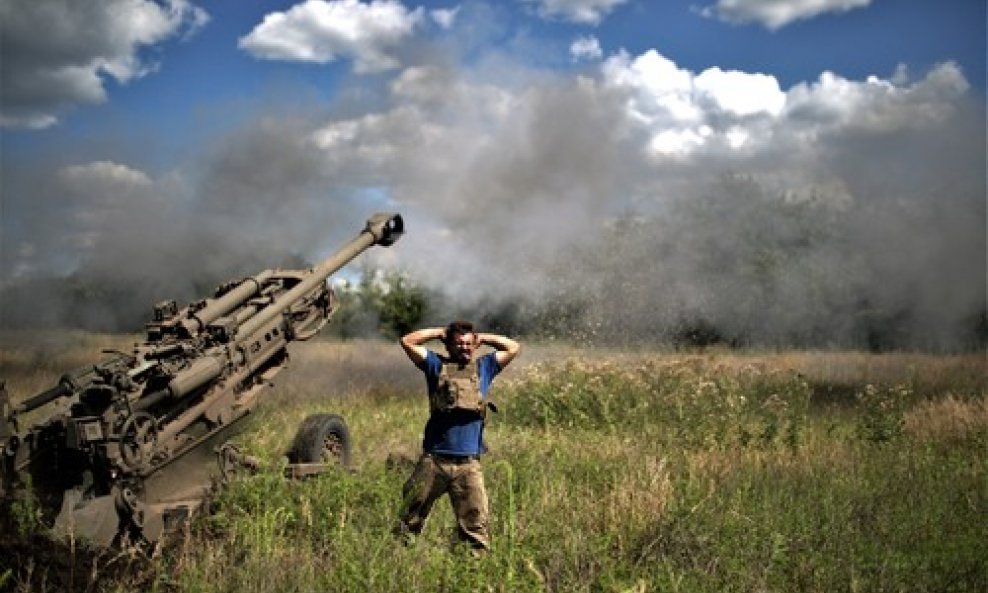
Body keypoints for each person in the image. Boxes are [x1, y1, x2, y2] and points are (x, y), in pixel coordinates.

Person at [396, 320, 521, 552]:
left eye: (468, 344)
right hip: (433, 462)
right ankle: (400, 561)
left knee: (475, 526)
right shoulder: (435, 365)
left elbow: (512, 347)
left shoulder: (485, 367)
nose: (464, 348)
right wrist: (439, 332)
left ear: (474, 345)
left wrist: (483, 337)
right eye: (458, 343)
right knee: (409, 518)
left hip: (468, 464)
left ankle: (473, 577)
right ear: (448, 346)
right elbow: (407, 341)